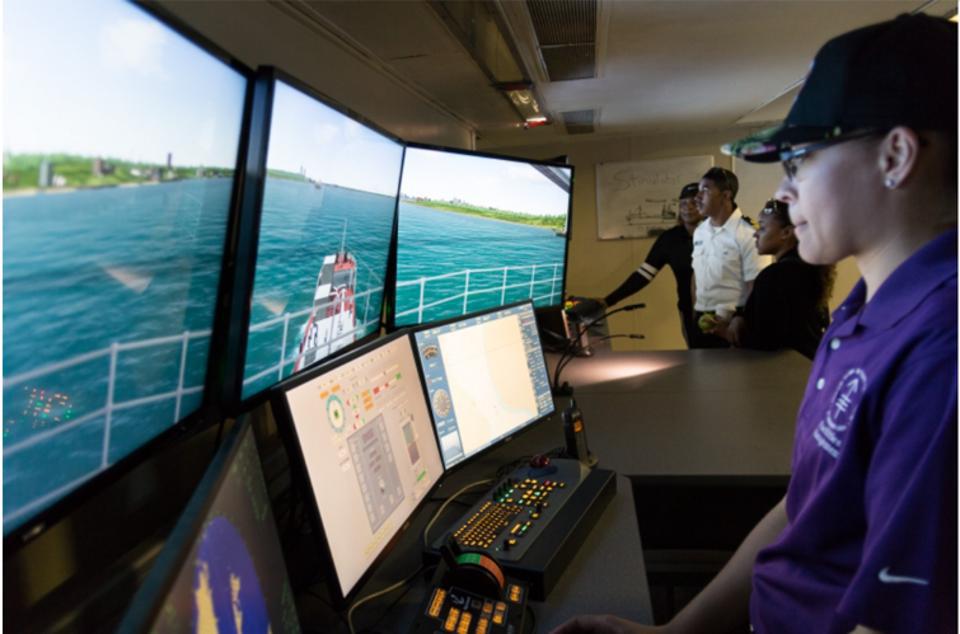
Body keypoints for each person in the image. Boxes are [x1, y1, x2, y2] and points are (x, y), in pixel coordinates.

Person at [552, 13, 956, 634]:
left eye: (798, 161)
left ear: (896, 155)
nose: (786, 193)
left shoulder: (941, 356)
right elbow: (804, 509)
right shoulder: (860, 315)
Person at [580, 182, 704, 346]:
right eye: (683, 203)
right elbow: (643, 275)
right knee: (699, 359)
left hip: (722, 313)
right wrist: (608, 301)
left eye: (694, 203)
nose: (687, 208)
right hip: (689, 313)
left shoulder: (720, 234)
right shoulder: (669, 239)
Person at [707, 199, 833, 359]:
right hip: (810, 365)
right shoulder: (809, 269)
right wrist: (740, 318)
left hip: (784, 372)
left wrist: (725, 331)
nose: (755, 233)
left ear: (786, 233)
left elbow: (765, 342)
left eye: (762, 227)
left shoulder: (775, 276)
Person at [690, 167, 765, 348]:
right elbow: (696, 275)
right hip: (701, 319)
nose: (697, 197)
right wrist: (695, 309)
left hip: (732, 323)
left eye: (705, 190)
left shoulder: (747, 233)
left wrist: (741, 319)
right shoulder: (700, 231)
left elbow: (756, 286)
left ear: (726, 196)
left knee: (734, 376)